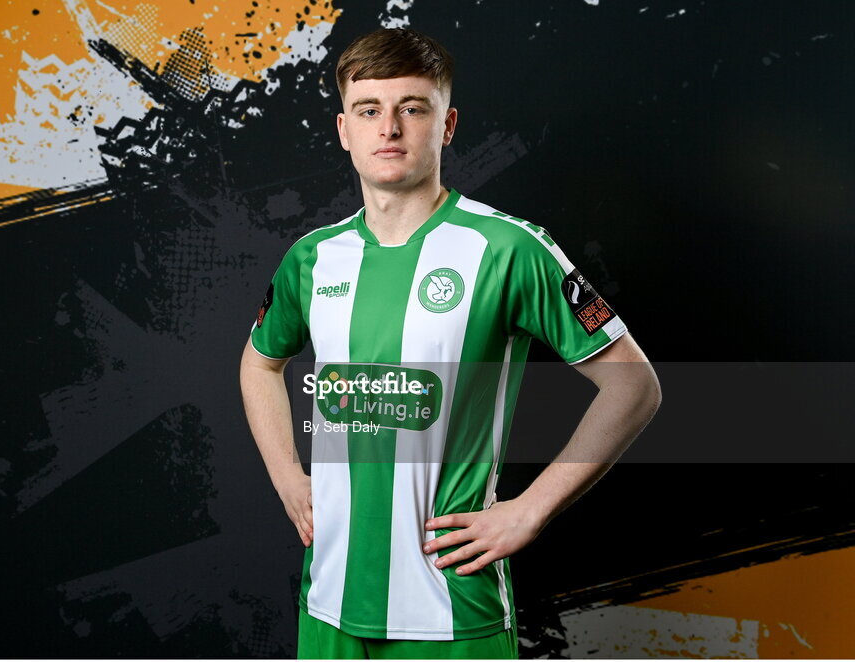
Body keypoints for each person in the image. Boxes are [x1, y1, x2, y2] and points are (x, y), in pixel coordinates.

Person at [239, 27, 661, 660]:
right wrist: (287, 477)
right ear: (343, 130)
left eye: (412, 108)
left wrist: (530, 510)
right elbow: (259, 364)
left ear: (448, 123)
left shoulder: (508, 248)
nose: (390, 129)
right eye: (369, 110)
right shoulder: (312, 259)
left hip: (450, 611)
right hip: (327, 598)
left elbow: (634, 385)